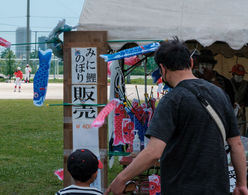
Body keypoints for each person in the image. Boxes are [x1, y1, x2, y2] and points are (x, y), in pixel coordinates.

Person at [105, 38, 247, 195]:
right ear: (191, 63)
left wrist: (121, 178)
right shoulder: (219, 94)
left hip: (182, 188)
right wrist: (241, 184)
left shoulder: (172, 100)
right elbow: (236, 145)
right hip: (217, 188)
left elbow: (153, 153)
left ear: (162, 68)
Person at [230, 64, 248, 136]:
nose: (240, 77)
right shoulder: (228, 83)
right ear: (233, 74)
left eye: (242, 75)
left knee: (241, 134)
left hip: (241, 113)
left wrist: (242, 105)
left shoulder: (246, 84)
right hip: (230, 112)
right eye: (238, 75)